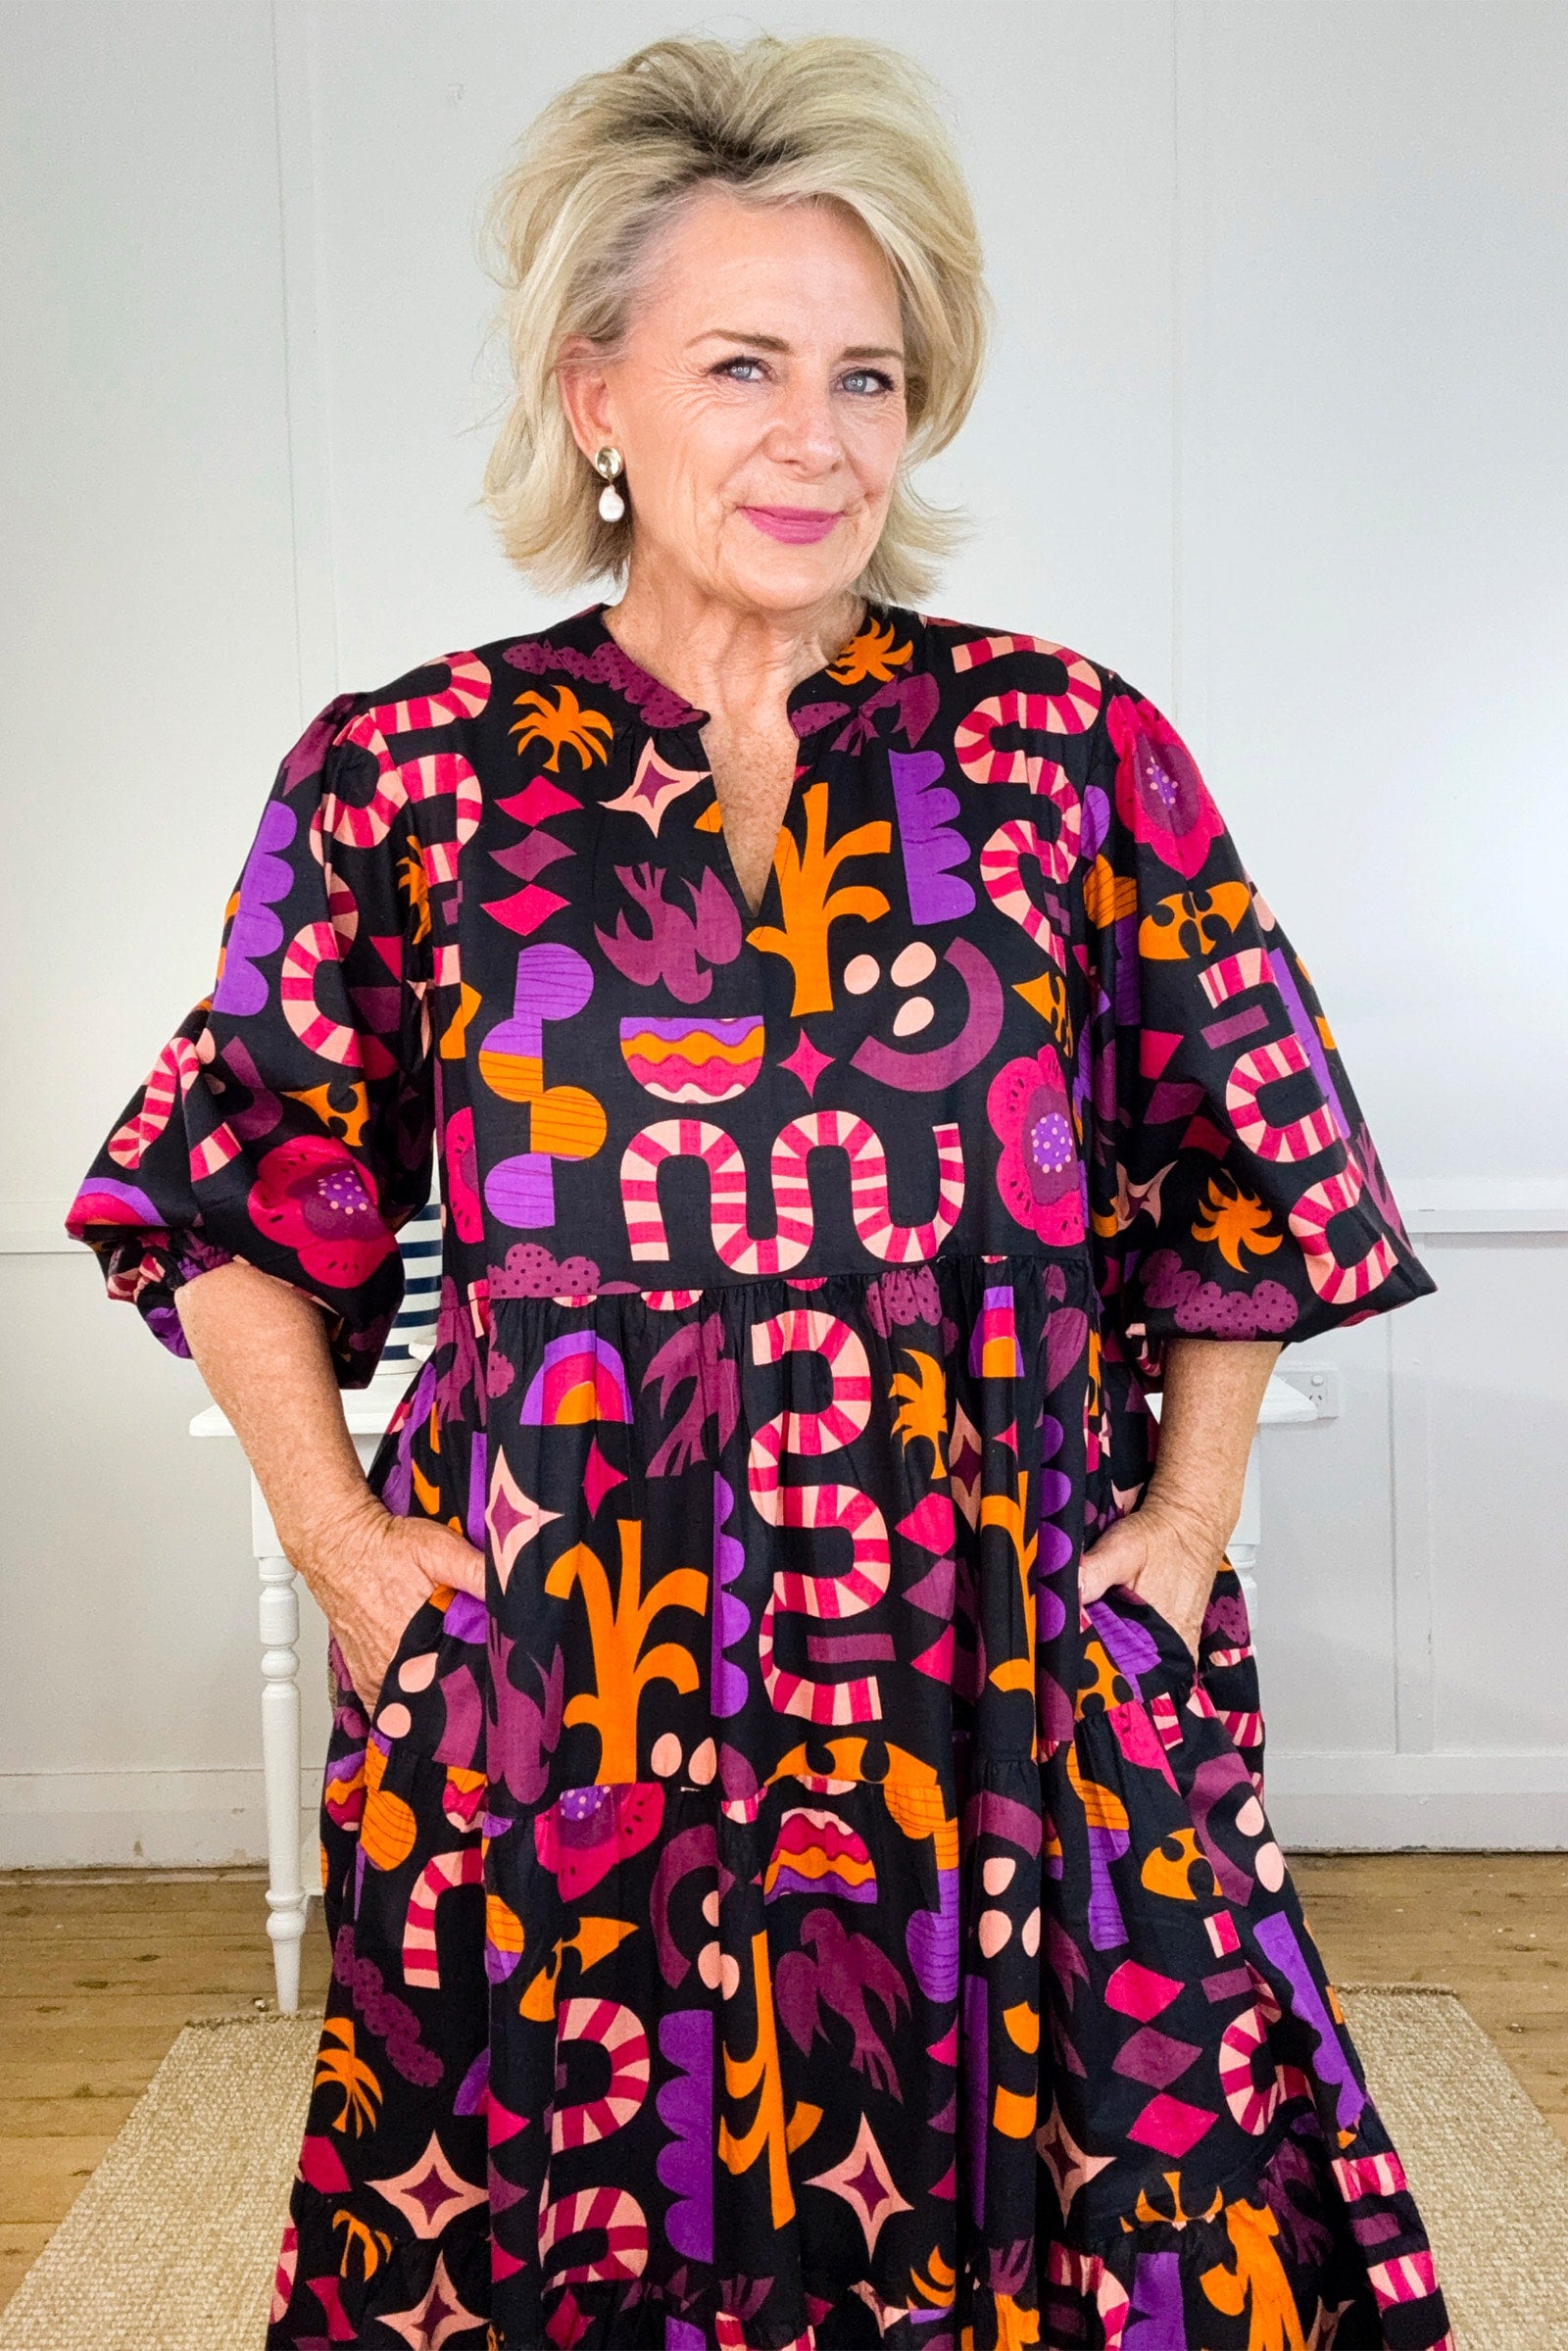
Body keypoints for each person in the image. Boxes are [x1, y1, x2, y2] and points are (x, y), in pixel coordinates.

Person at [65, 31, 1452, 2351]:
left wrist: (1185, 1523)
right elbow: (228, 1198)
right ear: (594, 396)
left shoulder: (1060, 748)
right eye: (741, 366)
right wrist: (348, 1556)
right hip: (567, 1687)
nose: (814, 438)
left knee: (1109, 2219)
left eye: (864, 378)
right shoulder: (408, 776)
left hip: (997, 1672)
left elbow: (1240, 1161)